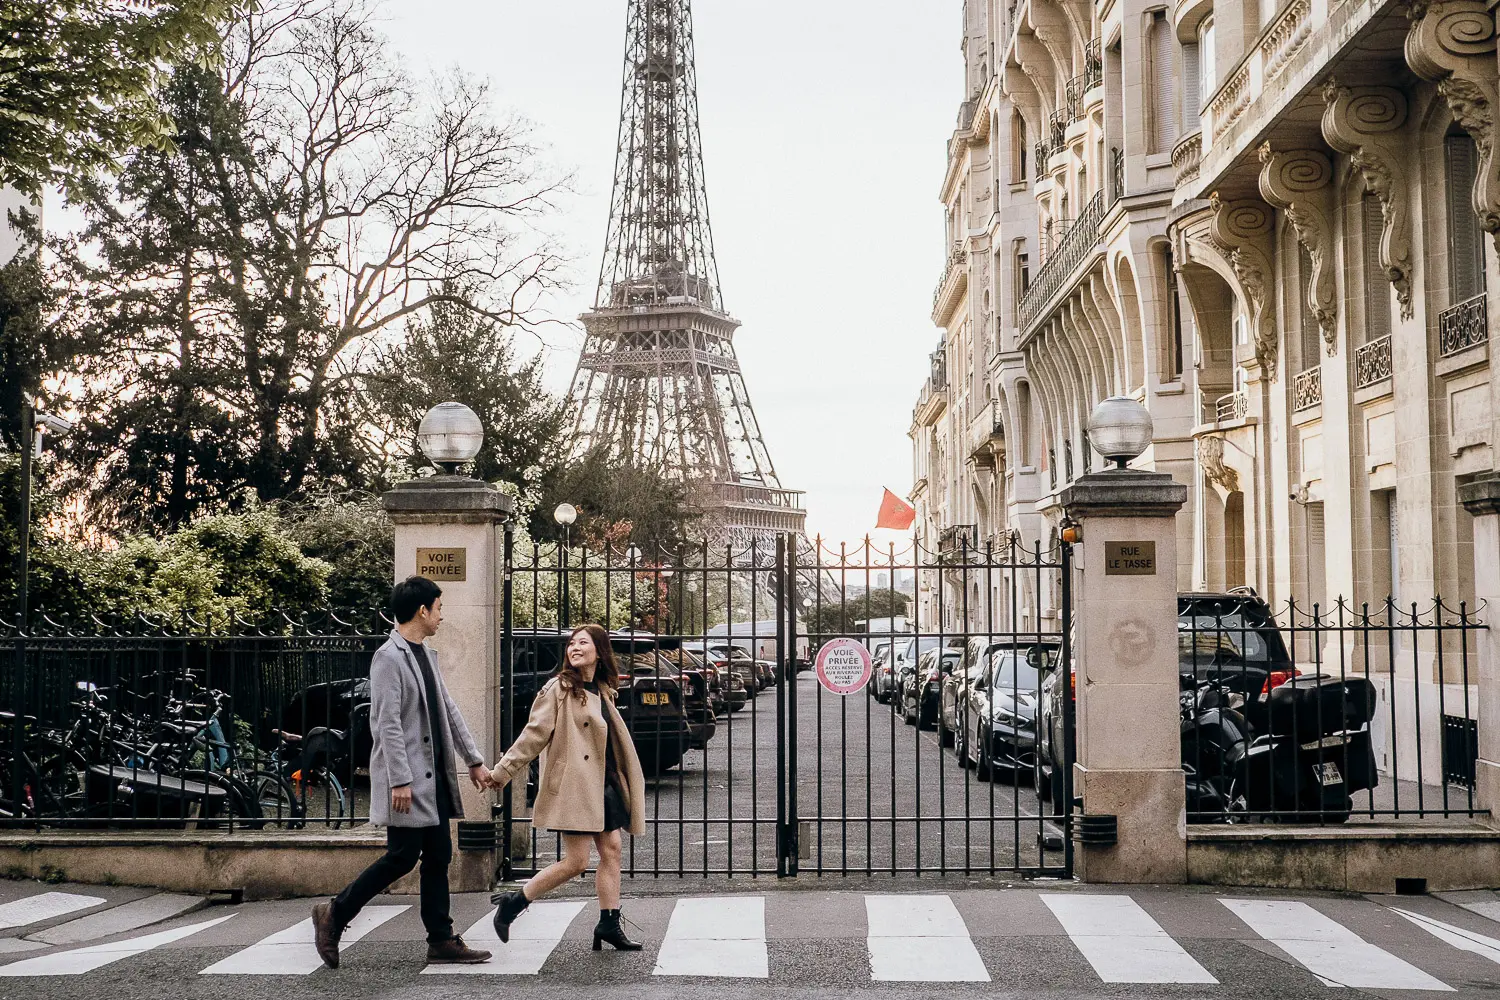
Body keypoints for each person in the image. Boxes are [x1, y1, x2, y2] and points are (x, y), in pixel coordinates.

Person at [312, 576, 494, 968]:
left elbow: (449, 710)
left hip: (434, 778)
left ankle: (441, 939)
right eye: (439, 607)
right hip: (410, 781)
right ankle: (334, 914)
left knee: (438, 857)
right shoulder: (388, 657)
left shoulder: (425, 654)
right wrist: (399, 778)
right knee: (401, 857)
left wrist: (474, 760)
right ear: (422, 610)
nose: (442, 615)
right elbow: (387, 723)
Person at [487, 623, 647, 951]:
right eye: (571, 644)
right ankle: (514, 902)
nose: (574, 648)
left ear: (599, 652)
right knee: (576, 861)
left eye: (582, 643)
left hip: (603, 785)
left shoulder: (602, 689)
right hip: (575, 785)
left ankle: (608, 922)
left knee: (612, 850)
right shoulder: (558, 688)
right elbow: (534, 734)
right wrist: (502, 771)